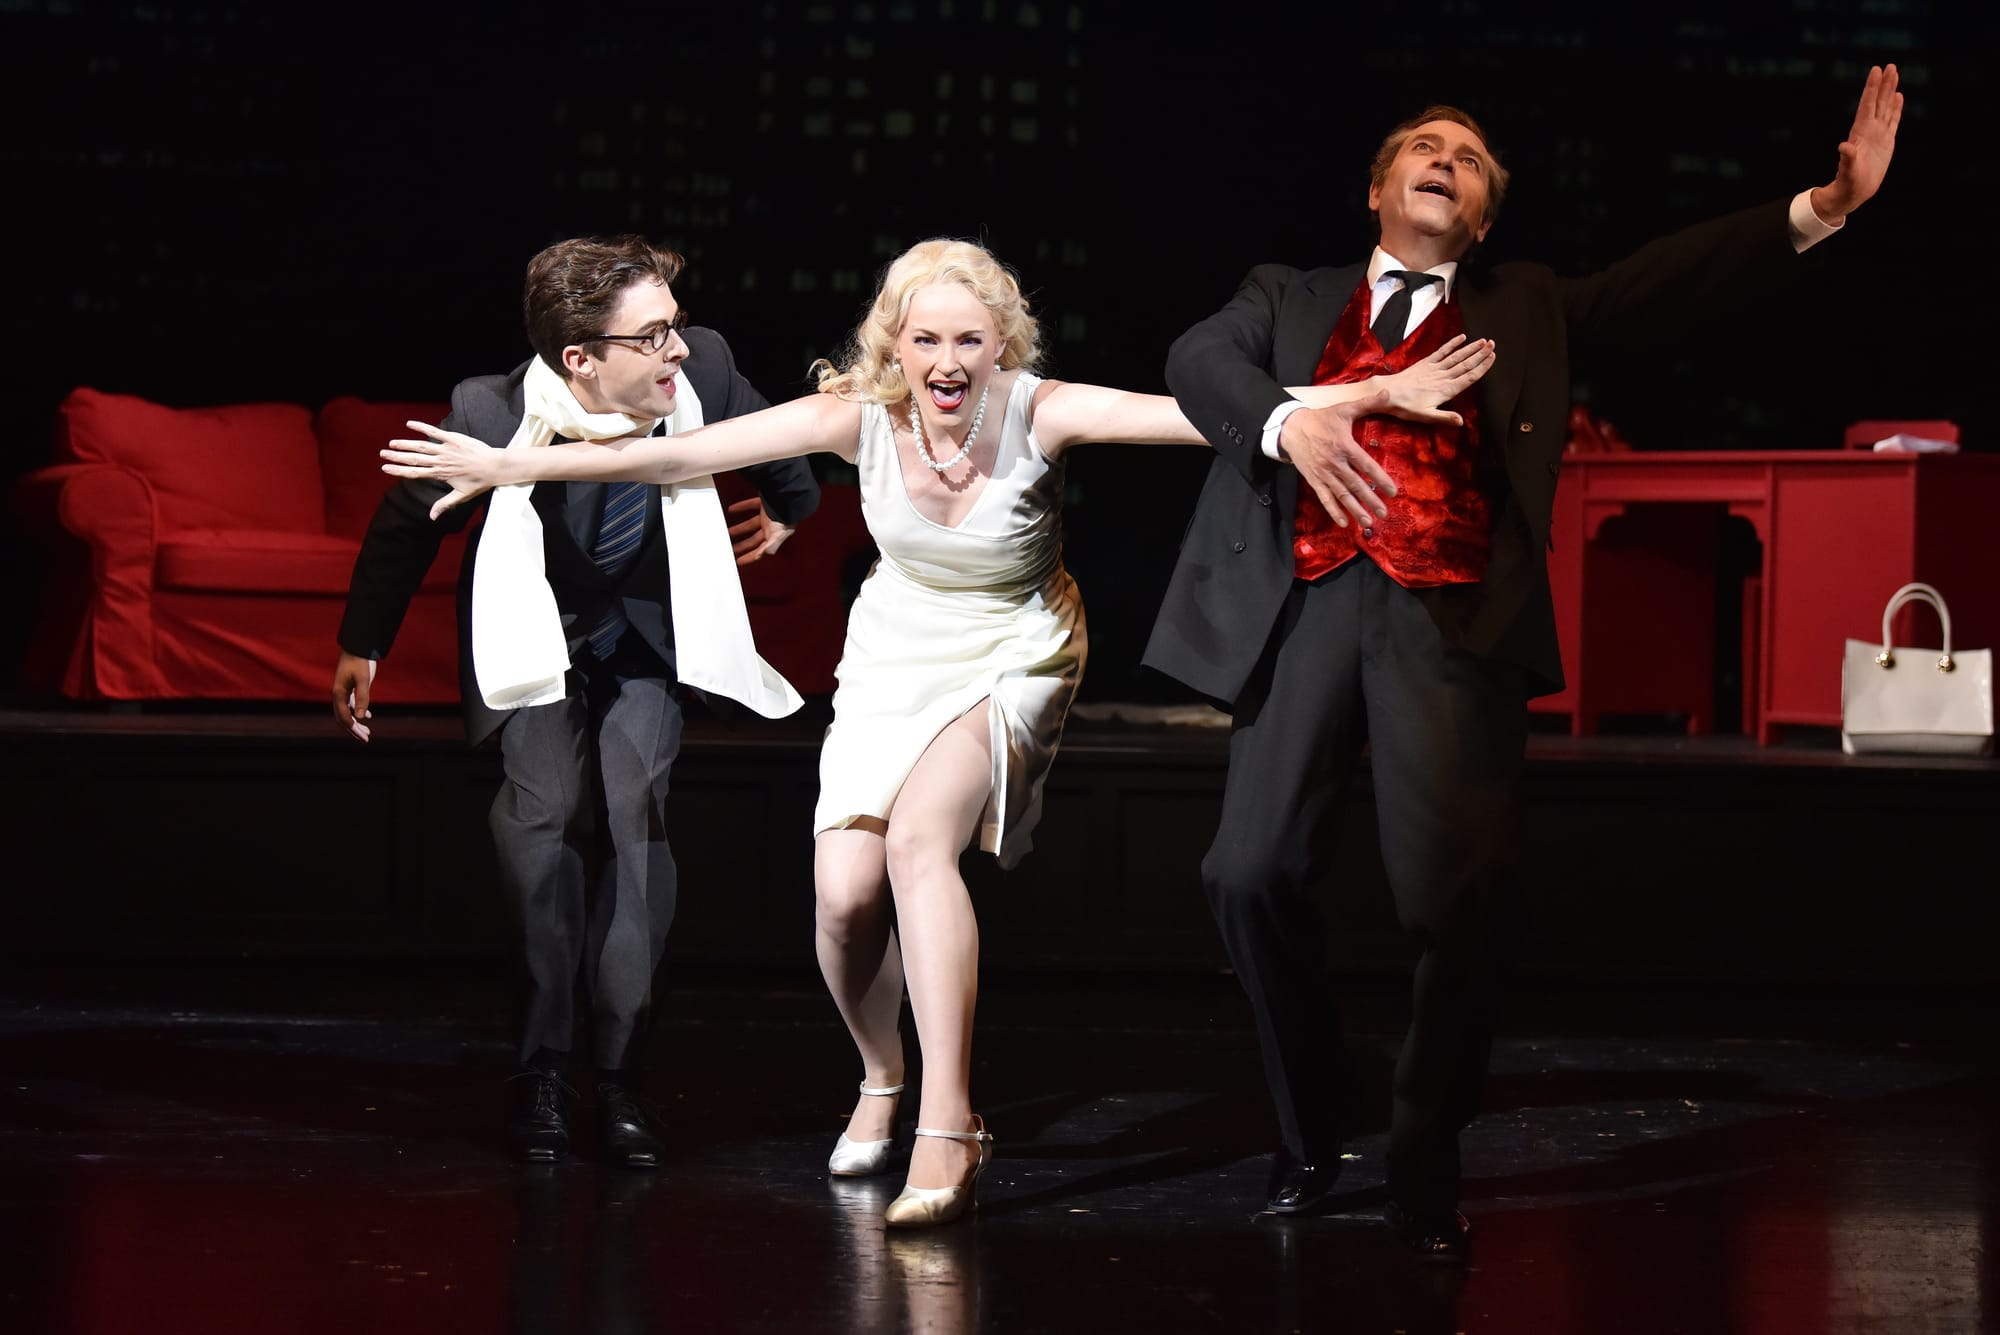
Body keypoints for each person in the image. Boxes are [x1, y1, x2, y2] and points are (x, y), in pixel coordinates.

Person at [382, 237, 1494, 1225]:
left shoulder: (1042, 410)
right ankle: (881, 1078)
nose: (947, 360)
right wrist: (512, 463)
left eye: (969, 338)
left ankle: (949, 1125)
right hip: (894, 650)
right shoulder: (858, 416)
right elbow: (671, 456)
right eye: (926, 339)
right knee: (841, 898)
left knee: (921, 844)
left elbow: (1213, 414)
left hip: (1013, 650)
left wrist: (1371, 391)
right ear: (896, 347)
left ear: (1000, 345)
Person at [1145, 67, 1903, 1259]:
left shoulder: (1525, 304)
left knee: (1454, 903)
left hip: (1448, 622)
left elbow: (1666, 283)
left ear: (1483, 217)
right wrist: (1294, 418)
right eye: (1423, 147)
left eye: (1467, 159)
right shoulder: (1286, 294)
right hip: (1304, 603)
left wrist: (1824, 206)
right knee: (1245, 874)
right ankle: (1313, 1115)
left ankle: (1421, 1155)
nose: (1444, 160)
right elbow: (1198, 361)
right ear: (1377, 191)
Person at [333, 235, 821, 1167]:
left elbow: (781, 437)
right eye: (653, 335)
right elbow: (409, 519)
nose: (678, 347)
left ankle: (622, 1075)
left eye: (675, 325)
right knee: (544, 817)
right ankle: (543, 1068)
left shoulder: (703, 370)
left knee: (636, 813)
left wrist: (791, 509)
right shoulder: (493, 409)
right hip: (536, 632)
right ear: (581, 358)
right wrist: (363, 643)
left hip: (647, 635)